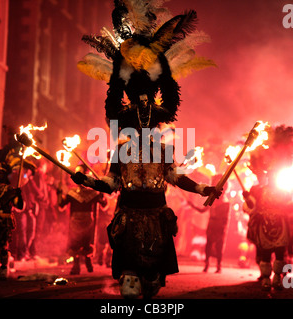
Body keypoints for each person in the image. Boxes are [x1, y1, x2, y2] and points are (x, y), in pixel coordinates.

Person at [74, 0, 219, 299]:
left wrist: (205, 189)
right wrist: (86, 180)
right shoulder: (120, 150)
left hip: (156, 216)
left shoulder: (164, 150)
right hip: (128, 214)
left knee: (152, 285)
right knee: (129, 286)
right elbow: (112, 184)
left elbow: (176, 178)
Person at [242, 124, 293, 291]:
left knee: (279, 252)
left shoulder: (283, 191)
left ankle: (277, 277)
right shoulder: (258, 190)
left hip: (280, 224)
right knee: (264, 253)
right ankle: (266, 278)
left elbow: (288, 208)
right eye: (270, 174)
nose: (271, 176)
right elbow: (251, 208)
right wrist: (248, 200)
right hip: (264, 225)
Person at [58, 165, 105, 275]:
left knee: (86, 243)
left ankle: (88, 262)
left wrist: (102, 193)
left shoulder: (92, 193)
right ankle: (76, 266)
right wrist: (59, 193)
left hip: (88, 222)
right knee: (75, 243)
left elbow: (103, 204)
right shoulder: (72, 193)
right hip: (75, 222)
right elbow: (61, 205)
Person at [187, 174, 230, 273]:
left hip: (220, 226)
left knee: (219, 246)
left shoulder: (226, 203)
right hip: (211, 225)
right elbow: (203, 210)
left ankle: (219, 266)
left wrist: (223, 229)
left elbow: (226, 218)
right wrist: (192, 205)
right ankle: (207, 264)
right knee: (209, 245)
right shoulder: (212, 200)